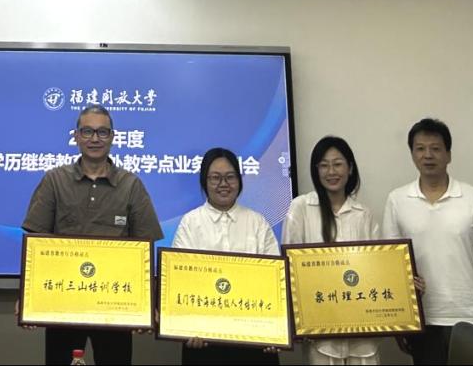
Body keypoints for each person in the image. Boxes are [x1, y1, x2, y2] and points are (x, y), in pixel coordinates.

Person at [22, 105, 164, 366]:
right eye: (87, 131)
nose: (95, 138)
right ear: (76, 136)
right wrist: (26, 297)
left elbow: (145, 251)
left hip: (116, 305)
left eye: (102, 132)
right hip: (63, 303)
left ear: (112, 137)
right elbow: (36, 246)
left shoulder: (131, 185)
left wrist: (148, 305)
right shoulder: (54, 181)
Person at [382, 118, 473, 365]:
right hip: (422, 318)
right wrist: (398, 321)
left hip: (469, 316)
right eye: (420, 148)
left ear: (448, 154)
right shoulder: (397, 200)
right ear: (412, 154)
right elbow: (390, 264)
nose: (428, 155)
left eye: (435, 148)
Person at [172, 147, 280, 365]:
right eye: (215, 178)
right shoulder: (190, 223)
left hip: (254, 336)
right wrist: (187, 327)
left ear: (239, 180)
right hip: (203, 338)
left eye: (230, 177)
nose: (223, 184)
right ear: (204, 182)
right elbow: (179, 282)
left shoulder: (257, 222)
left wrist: (275, 331)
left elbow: (275, 281)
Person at [283, 137, 381, 365]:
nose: (331, 172)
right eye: (324, 165)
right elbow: (289, 267)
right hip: (320, 330)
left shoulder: (364, 214)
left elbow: (379, 267)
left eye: (337, 164)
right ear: (316, 170)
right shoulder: (301, 208)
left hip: (362, 328)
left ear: (350, 168)